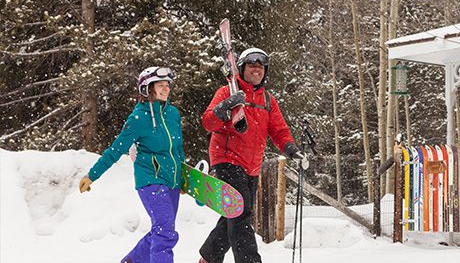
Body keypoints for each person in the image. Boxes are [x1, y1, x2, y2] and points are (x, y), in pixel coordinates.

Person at [199, 47, 302, 263]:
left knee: (234, 213)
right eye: (252, 65)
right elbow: (208, 122)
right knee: (240, 215)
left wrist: (290, 148)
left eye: (261, 67)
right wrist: (223, 108)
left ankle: (209, 257)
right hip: (226, 159)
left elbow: (279, 130)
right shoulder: (227, 91)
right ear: (242, 68)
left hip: (252, 166)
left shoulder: (267, 100)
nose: (257, 70)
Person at [79, 66, 186, 263]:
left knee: (161, 231)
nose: (166, 89)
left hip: (171, 180)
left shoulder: (173, 114)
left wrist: (183, 177)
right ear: (147, 89)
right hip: (150, 180)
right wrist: (91, 175)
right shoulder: (138, 118)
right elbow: (115, 149)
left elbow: (177, 148)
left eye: (167, 85)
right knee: (165, 231)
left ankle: (133, 261)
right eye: (160, 85)